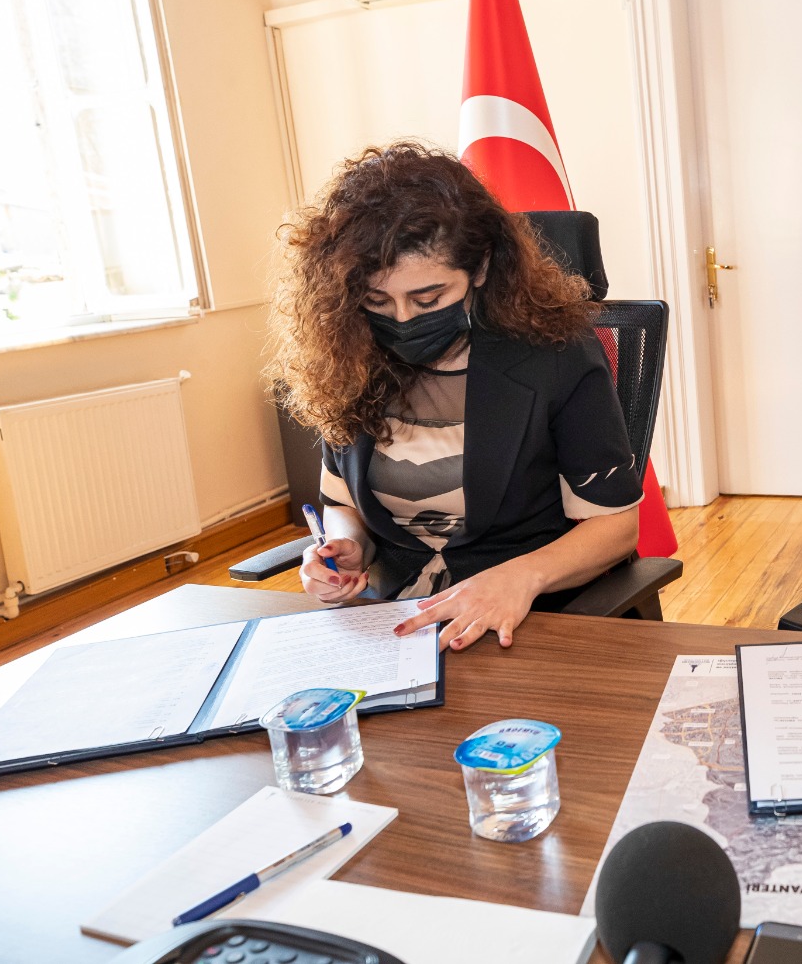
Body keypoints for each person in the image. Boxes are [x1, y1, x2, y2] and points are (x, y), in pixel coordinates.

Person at [269, 141, 641, 652]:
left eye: (428, 298)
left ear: (480, 268)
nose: (403, 319)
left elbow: (616, 527)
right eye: (378, 300)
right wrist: (346, 546)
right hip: (392, 622)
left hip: (521, 617)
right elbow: (342, 502)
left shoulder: (554, 354)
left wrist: (520, 577)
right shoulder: (351, 352)